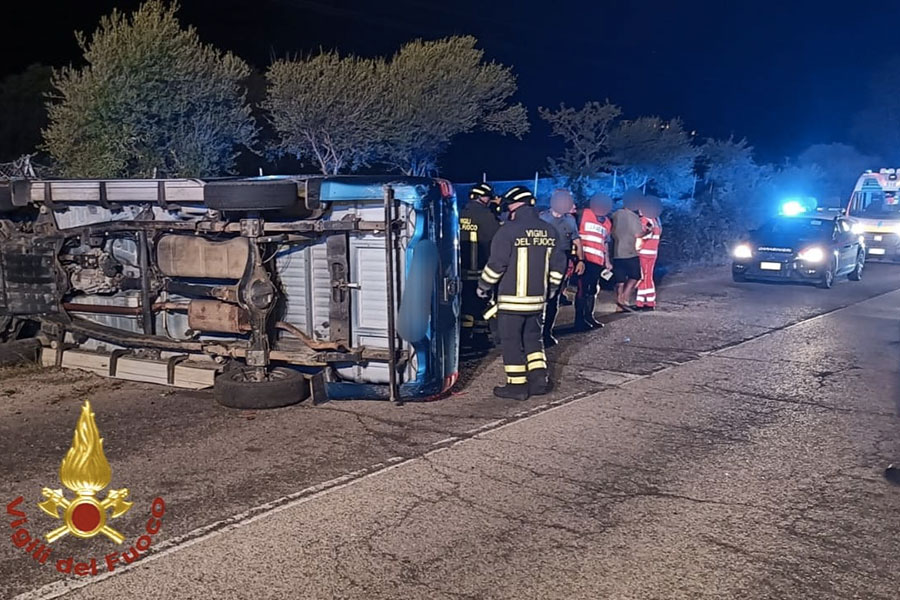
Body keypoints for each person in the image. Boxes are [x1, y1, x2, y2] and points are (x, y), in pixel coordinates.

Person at [478, 186, 567, 400]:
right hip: (538, 302)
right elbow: (558, 266)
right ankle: (539, 381)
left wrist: (483, 287)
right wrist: (552, 290)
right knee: (533, 341)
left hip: (512, 301)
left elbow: (497, 264)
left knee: (510, 342)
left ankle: (516, 386)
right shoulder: (549, 231)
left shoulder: (508, 230)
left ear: (514, 205)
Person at [539, 189, 585, 347]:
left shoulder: (570, 220)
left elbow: (577, 241)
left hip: (561, 262)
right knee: (538, 299)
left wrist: (580, 260)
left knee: (553, 299)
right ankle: (533, 333)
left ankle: (547, 333)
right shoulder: (542, 218)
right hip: (541, 262)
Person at [459, 183, 501, 349]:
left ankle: (463, 337)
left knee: (464, 305)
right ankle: (480, 337)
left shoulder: (459, 214)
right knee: (481, 305)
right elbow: (498, 239)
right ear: (483, 197)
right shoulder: (487, 216)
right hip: (480, 271)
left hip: (460, 271)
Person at [575, 192, 613, 330]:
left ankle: (589, 316)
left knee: (593, 290)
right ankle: (579, 320)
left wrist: (607, 262)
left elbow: (605, 243)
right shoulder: (583, 214)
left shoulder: (607, 223)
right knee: (582, 290)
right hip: (584, 261)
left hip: (598, 262)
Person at [610, 191, 645, 312]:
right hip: (630, 252)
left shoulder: (615, 214)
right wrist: (649, 231)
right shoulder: (633, 217)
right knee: (635, 276)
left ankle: (619, 304)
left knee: (619, 280)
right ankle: (625, 298)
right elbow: (638, 234)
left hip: (616, 252)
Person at [635, 196, 663, 311]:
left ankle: (649, 302)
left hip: (644, 252)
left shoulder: (644, 221)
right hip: (652, 253)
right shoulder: (656, 221)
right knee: (647, 276)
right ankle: (641, 302)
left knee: (644, 277)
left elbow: (642, 235)